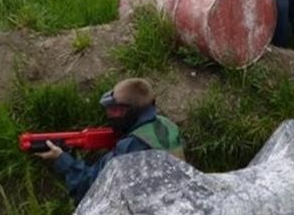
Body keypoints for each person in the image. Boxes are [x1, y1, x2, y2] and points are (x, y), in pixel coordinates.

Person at [34, 78, 184, 204]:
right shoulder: (168, 125)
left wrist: (62, 159)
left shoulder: (130, 146)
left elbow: (89, 188)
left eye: (115, 110)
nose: (110, 116)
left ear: (131, 111)